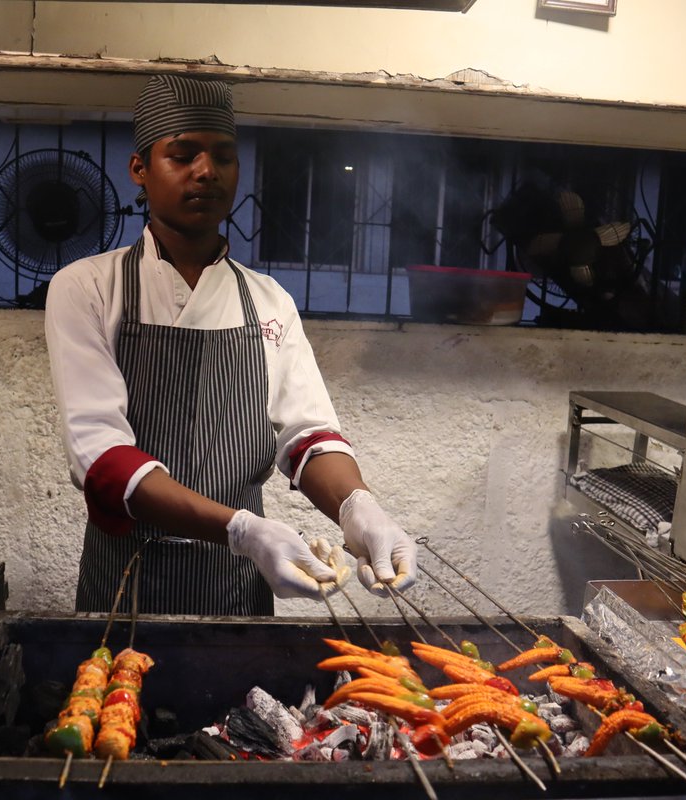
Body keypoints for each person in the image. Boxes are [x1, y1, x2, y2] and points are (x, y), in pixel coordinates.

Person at [45, 74, 416, 616]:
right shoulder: (87, 288)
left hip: (237, 587)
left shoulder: (269, 300)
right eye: (183, 154)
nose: (206, 171)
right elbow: (102, 458)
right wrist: (242, 529)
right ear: (140, 170)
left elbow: (307, 434)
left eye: (223, 155)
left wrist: (358, 507)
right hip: (125, 584)